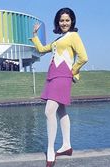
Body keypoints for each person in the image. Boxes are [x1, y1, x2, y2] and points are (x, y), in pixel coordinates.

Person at [31, 7, 88, 167]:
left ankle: (50, 150)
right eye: (62, 20)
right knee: (61, 110)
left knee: (49, 111)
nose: (64, 23)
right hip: (52, 76)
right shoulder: (58, 40)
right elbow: (42, 50)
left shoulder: (73, 36)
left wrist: (72, 71)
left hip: (63, 76)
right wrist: (35, 36)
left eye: (67, 20)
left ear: (72, 21)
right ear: (58, 22)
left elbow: (84, 57)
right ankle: (67, 145)